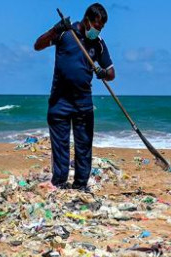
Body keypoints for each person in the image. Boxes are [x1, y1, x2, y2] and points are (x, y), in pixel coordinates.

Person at [34, 3, 115, 191]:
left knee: (84, 147)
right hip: (59, 101)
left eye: (101, 28)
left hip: (83, 103)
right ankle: (59, 182)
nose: (98, 30)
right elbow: (38, 45)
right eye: (96, 26)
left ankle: (80, 185)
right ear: (87, 20)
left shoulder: (98, 44)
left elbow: (112, 73)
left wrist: (103, 72)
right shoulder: (65, 33)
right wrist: (55, 29)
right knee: (60, 146)